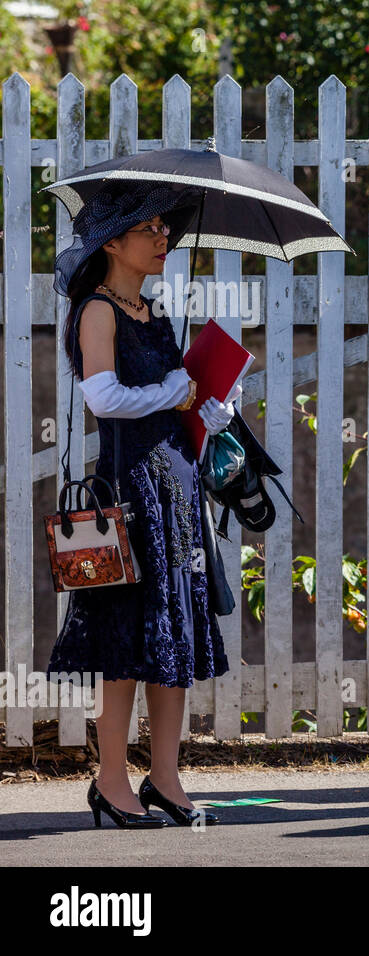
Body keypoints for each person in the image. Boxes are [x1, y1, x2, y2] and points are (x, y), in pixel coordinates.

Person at [48, 182, 238, 828]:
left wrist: (208, 408)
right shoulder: (95, 310)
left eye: (164, 229)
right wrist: (171, 390)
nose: (164, 239)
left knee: (172, 639)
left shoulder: (154, 312)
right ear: (113, 242)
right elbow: (103, 398)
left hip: (177, 486)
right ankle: (110, 780)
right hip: (130, 492)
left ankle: (164, 776)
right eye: (150, 229)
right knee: (127, 643)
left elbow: (175, 403)